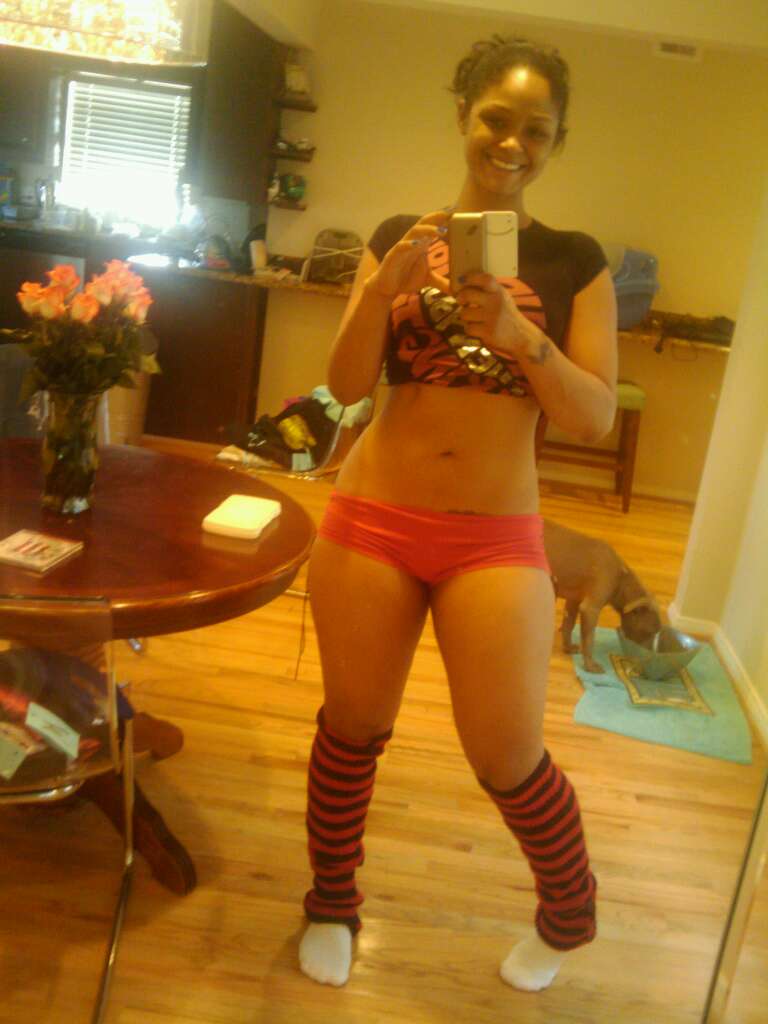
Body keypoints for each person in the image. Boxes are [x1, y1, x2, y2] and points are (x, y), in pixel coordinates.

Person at [298, 34, 617, 992]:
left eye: (536, 130)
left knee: (510, 755)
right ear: (464, 118)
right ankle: (331, 902)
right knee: (351, 728)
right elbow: (344, 385)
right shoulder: (400, 234)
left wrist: (524, 338)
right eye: (496, 120)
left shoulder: (574, 261)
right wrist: (381, 291)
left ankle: (570, 914)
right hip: (373, 516)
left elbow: (594, 417)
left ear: (556, 142)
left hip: (495, 538)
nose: (512, 143)